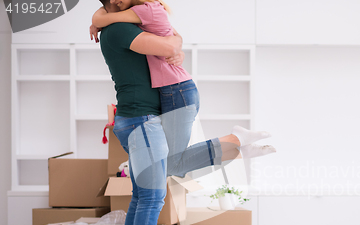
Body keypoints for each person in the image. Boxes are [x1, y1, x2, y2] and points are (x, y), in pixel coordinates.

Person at [91, 0, 275, 225]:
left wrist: (98, 20)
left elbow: (173, 40)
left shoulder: (116, 26)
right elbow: (170, 47)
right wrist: (173, 45)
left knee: (143, 197)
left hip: (137, 119)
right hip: (141, 121)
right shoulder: (120, 30)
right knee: (153, 197)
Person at [91, 0, 276, 175]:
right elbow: (169, 35)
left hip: (177, 91)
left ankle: (236, 140)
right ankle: (238, 150)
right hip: (174, 90)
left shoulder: (146, 10)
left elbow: (106, 17)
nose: (115, 2)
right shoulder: (140, 14)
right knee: (172, 163)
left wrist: (97, 23)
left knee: (171, 165)